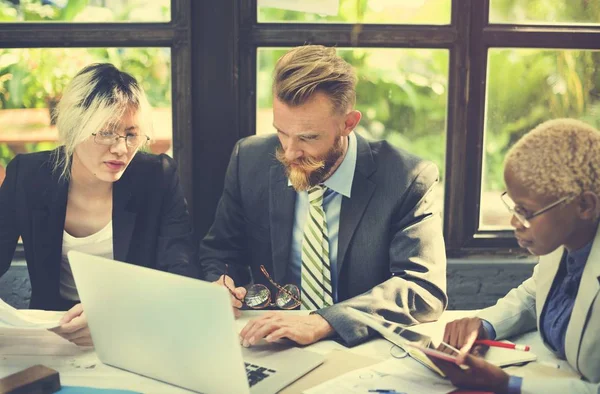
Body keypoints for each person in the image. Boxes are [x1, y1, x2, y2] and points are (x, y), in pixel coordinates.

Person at [199, 45, 447, 348]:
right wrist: (222, 285)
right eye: (281, 132)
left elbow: (422, 288)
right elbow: (222, 251)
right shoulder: (248, 158)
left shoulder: (407, 178)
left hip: (365, 348)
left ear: (348, 123)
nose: (289, 153)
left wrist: (324, 321)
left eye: (308, 137)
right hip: (274, 346)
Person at [0, 63, 197, 346]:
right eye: (106, 132)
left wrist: (114, 315)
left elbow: (182, 272)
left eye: (131, 134)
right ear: (74, 128)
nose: (121, 148)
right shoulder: (28, 176)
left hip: (134, 328)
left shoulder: (157, 176)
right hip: (54, 333)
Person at [431, 119, 600, 393]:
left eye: (526, 211)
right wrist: (483, 325)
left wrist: (509, 384)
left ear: (584, 205)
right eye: (513, 205)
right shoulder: (565, 241)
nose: (514, 221)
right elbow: (533, 297)